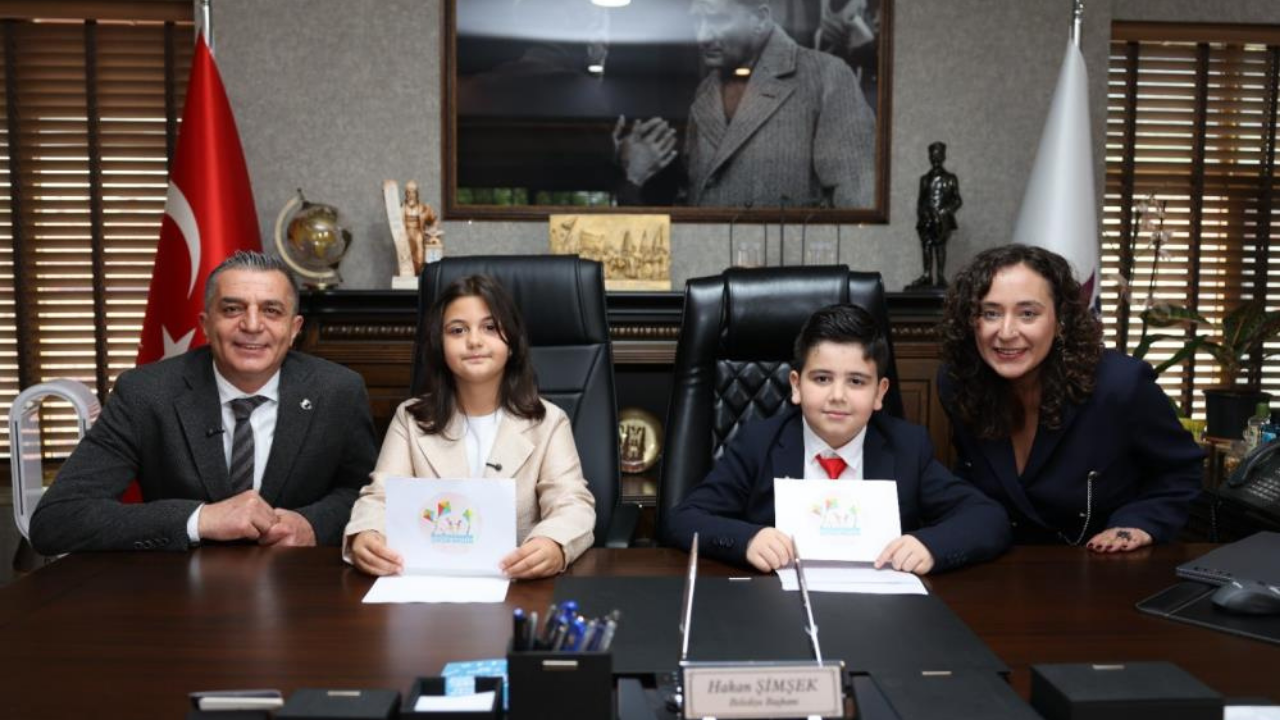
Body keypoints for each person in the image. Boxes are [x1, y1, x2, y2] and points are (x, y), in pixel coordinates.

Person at [29, 251, 378, 554]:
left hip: (298, 588)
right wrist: (199, 519)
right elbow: (57, 519)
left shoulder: (338, 391)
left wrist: (313, 524)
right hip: (178, 591)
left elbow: (367, 495)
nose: (252, 325)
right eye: (232, 309)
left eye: (271, 311)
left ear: (294, 328)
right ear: (206, 324)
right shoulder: (145, 393)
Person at [662, 304, 1011, 575]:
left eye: (856, 381)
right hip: (778, 606)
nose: (838, 396)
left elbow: (988, 518)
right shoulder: (759, 443)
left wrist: (931, 546)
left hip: (880, 612)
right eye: (822, 379)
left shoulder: (907, 447)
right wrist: (748, 540)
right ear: (796, 386)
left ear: (880, 393)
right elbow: (682, 519)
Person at [937, 244, 1205, 552]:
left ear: (1060, 320)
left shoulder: (1121, 385)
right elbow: (972, 478)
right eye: (991, 313)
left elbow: (1181, 471)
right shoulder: (959, 383)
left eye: (1028, 314)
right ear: (971, 321)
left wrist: (1140, 523)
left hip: (1102, 564)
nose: (1007, 331)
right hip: (998, 561)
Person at [344, 275, 596, 579]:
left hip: (516, 583)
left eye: (490, 327)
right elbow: (380, 498)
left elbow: (572, 504)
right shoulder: (410, 419)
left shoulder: (548, 422)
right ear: (440, 345)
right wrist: (367, 534)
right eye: (457, 330)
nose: (474, 341)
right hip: (428, 581)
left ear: (512, 343)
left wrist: (553, 543)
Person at [617, 0, 875, 209]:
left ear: (760, 19)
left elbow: (857, 202)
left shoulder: (826, 76)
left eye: (717, 20)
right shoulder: (705, 92)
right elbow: (694, 197)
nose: (702, 35)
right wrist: (640, 172)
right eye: (696, 20)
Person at [907, 141, 962, 289]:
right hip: (926, 219)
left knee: (940, 246)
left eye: (938, 154)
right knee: (926, 245)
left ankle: (940, 276)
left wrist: (944, 211)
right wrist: (922, 214)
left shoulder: (950, 178)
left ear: (943, 156)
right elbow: (921, 201)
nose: (935, 157)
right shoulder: (924, 179)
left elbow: (957, 200)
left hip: (942, 220)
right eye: (932, 154)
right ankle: (927, 275)